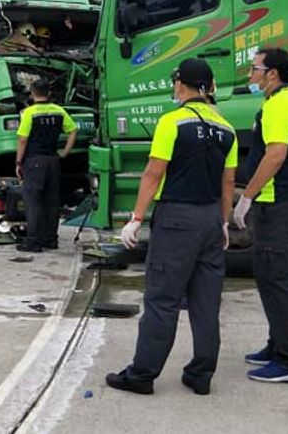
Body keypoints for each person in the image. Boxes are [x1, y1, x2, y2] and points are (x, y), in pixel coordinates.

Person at [106, 58, 237, 397]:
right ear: (209, 87)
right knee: (206, 302)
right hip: (211, 219)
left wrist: (135, 218)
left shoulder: (173, 122)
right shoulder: (227, 128)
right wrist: (223, 223)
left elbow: (153, 172)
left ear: (181, 84)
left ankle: (142, 374)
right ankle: (201, 373)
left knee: (162, 299)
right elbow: (228, 184)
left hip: (178, 219)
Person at [232, 48, 288, 384]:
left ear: (273, 74)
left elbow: (276, 155)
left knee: (276, 280)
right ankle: (276, 344)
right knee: (280, 278)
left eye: (255, 69)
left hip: (278, 204)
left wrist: (246, 196)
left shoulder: (279, 105)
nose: (251, 75)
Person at [14, 79, 77, 253]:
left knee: (33, 201)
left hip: (34, 161)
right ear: (48, 93)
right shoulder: (59, 111)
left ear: (32, 93)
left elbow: (22, 139)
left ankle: (33, 241)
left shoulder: (29, 113)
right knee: (52, 200)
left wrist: (18, 162)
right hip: (53, 160)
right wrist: (65, 152)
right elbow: (73, 131)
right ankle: (51, 239)